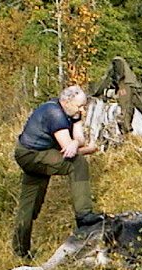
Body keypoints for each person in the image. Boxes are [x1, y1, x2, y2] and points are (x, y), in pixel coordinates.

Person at [12, 85, 105, 258]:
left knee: (30, 206)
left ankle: (20, 251)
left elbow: (78, 141)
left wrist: (76, 139)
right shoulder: (55, 114)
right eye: (79, 106)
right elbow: (68, 152)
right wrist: (86, 149)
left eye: (83, 106)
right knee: (77, 164)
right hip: (31, 155)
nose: (82, 110)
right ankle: (84, 214)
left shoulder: (69, 112)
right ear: (66, 101)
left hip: (35, 154)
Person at [92, 56, 142, 134]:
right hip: (132, 86)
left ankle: (127, 130)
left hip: (126, 86)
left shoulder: (117, 64)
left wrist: (97, 94)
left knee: (126, 108)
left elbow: (116, 77)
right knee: (141, 107)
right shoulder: (127, 71)